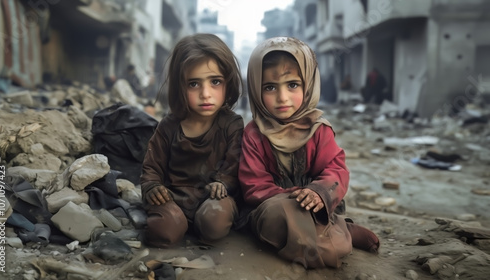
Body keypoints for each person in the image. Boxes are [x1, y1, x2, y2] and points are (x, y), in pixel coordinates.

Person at [239, 37, 380, 269]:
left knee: (309, 220)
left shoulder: (318, 129)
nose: (282, 97)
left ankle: (330, 233)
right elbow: (254, 185)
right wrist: (295, 196)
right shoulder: (254, 133)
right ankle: (337, 232)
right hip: (273, 205)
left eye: (292, 85)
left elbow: (336, 170)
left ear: (309, 84)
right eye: (270, 87)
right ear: (255, 88)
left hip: (314, 205)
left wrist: (316, 193)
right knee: (276, 217)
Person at [140, 33, 244, 248]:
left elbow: (234, 166)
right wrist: (152, 187)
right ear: (180, 86)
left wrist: (222, 183)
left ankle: (201, 229)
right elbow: (152, 165)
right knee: (164, 232)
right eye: (194, 84)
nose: (206, 94)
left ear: (228, 82)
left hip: (213, 198)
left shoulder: (231, 125)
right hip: (173, 197)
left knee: (214, 223)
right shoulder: (169, 126)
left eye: (215, 82)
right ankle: (179, 223)